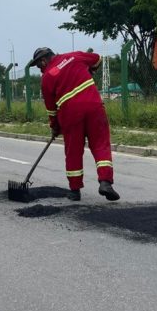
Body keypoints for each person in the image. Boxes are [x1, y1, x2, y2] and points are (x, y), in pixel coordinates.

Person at [31, 46, 119, 201]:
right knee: (100, 145)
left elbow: (51, 109)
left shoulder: (47, 78)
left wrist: (55, 127)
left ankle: (75, 190)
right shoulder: (74, 56)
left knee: (73, 151)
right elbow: (97, 58)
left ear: (43, 61)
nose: (40, 70)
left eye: (39, 66)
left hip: (70, 114)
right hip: (94, 107)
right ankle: (105, 182)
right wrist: (91, 70)